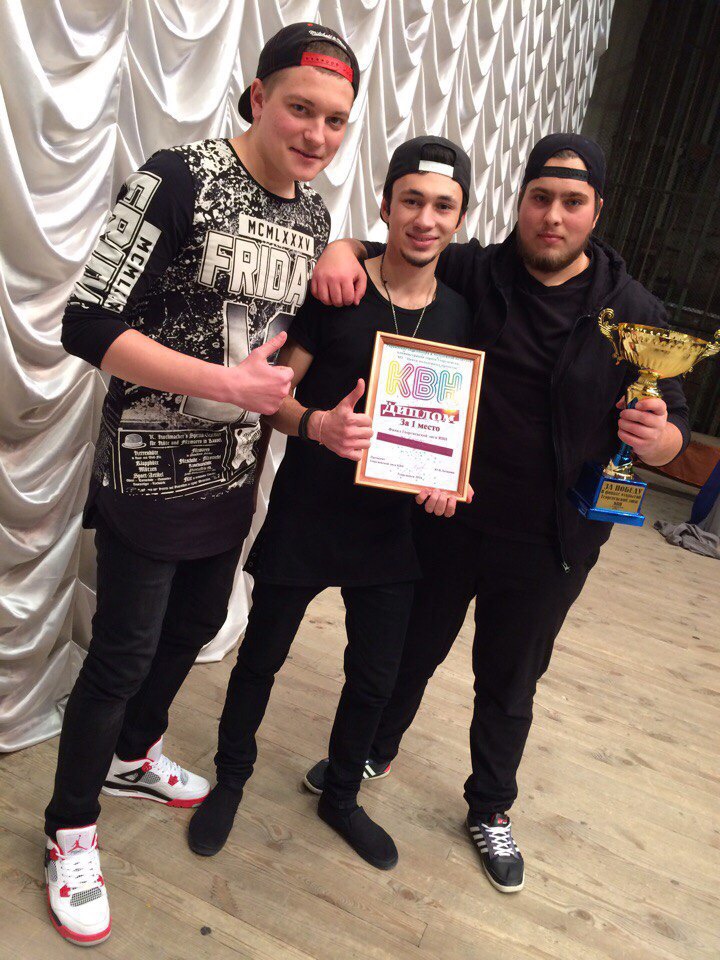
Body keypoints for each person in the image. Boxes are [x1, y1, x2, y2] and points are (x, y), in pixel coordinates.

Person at [302, 132, 691, 893]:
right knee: (409, 650)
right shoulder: (475, 269)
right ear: (519, 203)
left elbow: (673, 425)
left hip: (552, 538)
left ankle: (490, 806)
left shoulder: (635, 312)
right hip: (445, 515)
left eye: (572, 202)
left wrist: (660, 438)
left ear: (597, 210)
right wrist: (340, 249)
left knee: (510, 681)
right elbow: (393, 252)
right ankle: (374, 750)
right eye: (540, 198)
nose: (553, 216)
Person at [43, 23, 359, 945]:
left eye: (336, 120)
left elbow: (281, 359)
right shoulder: (177, 177)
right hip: (146, 466)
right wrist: (223, 383)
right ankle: (69, 830)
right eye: (300, 109)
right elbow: (84, 321)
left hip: (232, 475)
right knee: (122, 655)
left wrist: (352, 251)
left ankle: (133, 754)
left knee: (196, 627)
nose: (317, 135)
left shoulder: (312, 218)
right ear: (257, 97)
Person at [187, 136, 474, 870]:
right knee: (261, 657)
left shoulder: (460, 316)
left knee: (375, 677)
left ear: (461, 218)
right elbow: (273, 398)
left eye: (443, 206)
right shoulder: (336, 293)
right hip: (309, 511)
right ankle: (231, 778)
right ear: (386, 205)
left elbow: (455, 431)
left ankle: (341, 795)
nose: (425, 219)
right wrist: (316, 423)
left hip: (391, 529)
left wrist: (452, 477)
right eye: (411, 200)